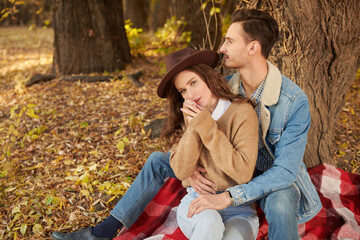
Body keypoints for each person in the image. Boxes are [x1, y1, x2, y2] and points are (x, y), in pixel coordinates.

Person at [51, 8, 322, 240]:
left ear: (253, 47)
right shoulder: (223, 88)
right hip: (222, 165)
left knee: (283, 198)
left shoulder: (293, 101)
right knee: (159, 161)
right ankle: (103, 232)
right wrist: (188, 170)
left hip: (263, 175)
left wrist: (229, 197)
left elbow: (285, 172)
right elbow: (196, 133)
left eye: (229, 41)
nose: (222, 48)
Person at [158, 48, 259, 239]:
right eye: (183, 90)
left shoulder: (242, 112)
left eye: (193, 83)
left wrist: (206, 126)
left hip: (237, 207)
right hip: (197, 202)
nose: (190, 94)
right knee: (209, 223)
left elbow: (243, 173)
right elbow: (181, 171)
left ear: (208, 77)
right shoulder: (187, 116)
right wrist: (193, 127)